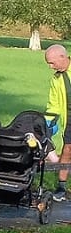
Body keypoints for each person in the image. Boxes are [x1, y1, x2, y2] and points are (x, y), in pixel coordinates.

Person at [44, 43, 68, 201]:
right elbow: (54, 105)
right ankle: (61, 188)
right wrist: (45, 124)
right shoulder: (56, 79)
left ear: (63, 57)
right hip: (69, 119)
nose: (51, 67)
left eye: (52, 63)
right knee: (67, 151)